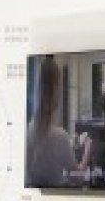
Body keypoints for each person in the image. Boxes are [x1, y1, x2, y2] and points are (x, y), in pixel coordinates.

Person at [26, 56, 80, 187]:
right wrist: (88, 152)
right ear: (56, 91)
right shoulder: (60, 136)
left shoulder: (31, 126)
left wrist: (68, 145)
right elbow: (78, 177)